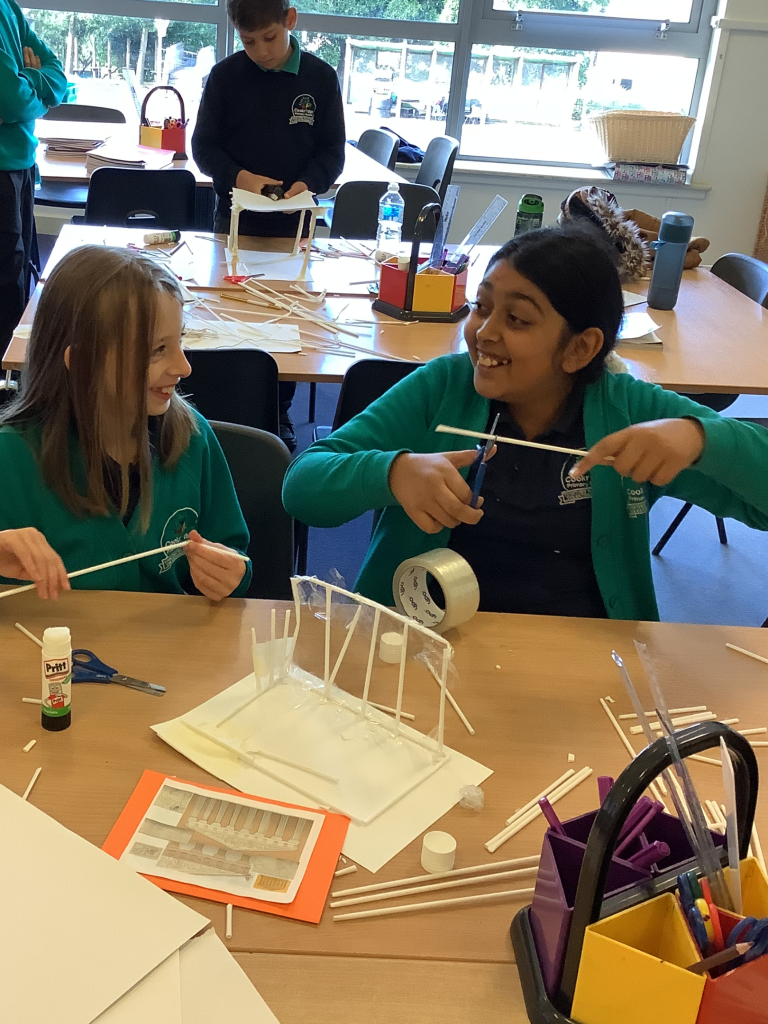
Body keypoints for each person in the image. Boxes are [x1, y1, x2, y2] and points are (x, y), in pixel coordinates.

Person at [283, 224, 768, 620]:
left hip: (584, 655)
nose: (484, 333)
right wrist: (392, 473)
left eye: (517, 319)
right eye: (482, 307)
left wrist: (702, 438)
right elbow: (302, 486)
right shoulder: (444, 387)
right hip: (422, 643)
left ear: (580, 348)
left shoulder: (628, 411)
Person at [0, 245, 252, 601]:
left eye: (179, 341)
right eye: (157, 350)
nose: (184, 368)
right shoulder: (12, 458)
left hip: (167, 636)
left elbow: (233, 551)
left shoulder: (191, 438)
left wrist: (231, 574)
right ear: (84, 362)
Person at [192, 0, 345, 451]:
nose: (260, 50)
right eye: (248, 41)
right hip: (235, 222)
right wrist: (241, 178)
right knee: (231, 312)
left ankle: (279, 411)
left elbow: (332, 152)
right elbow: (204, 147)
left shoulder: (320, 78)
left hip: (292, 228)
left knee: (288, 322)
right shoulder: (225, 77)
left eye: (270, 38)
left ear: (290, 20)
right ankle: (230, 409)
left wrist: (306, 185)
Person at [0, 2, 66, 352]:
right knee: (6, 291)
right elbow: (11, 100)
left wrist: (28, 79)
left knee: (19, 278)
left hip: (21, 165)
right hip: (3, 171)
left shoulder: (9, 7)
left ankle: (13, 377)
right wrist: (36, 95)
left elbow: (58, 76)